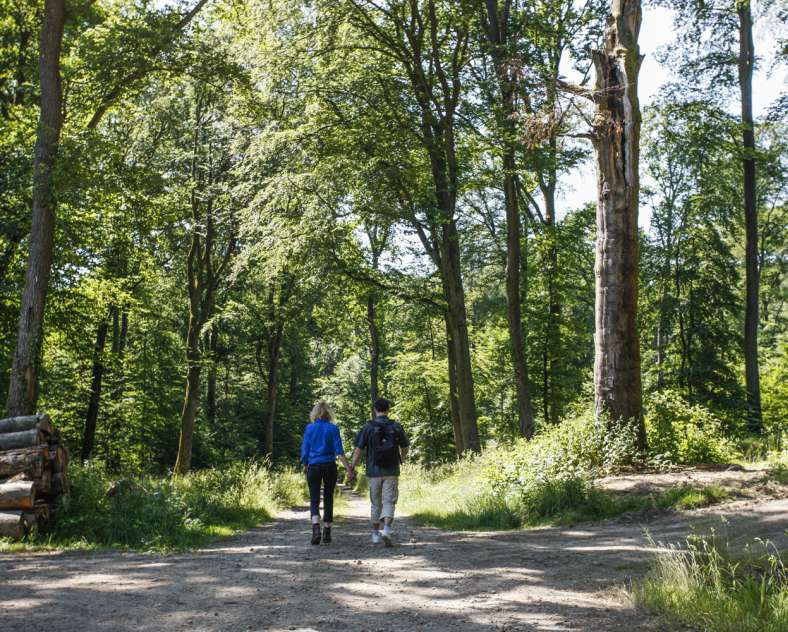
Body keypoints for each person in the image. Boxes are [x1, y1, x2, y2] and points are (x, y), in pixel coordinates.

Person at [350, 397, 410, 546]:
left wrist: (351, 468)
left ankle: (375, 534)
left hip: (373, 471)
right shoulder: (396, 426)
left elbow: (358, 451)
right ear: (388, 409)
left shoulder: (368, 427)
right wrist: (401, 460)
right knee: (389, 501)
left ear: (375, 409)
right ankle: (387, 530)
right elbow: (405, 447)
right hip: (391, 470)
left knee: (376, 503)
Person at [300, 401, 355, 545]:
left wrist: (305, 464)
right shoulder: (333, 428)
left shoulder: (309, 428)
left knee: (314, 499)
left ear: (315, 413)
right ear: (329, 413)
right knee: (329, 498)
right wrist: (349, 469)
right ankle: (327, 533)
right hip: (329, 466)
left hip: (313, 466)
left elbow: (305, 449)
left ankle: (316, 529)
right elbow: (339, 451)